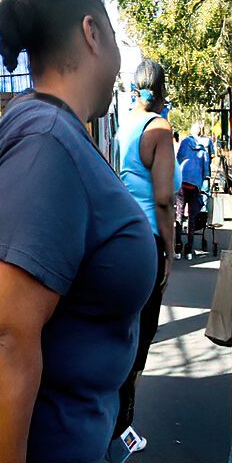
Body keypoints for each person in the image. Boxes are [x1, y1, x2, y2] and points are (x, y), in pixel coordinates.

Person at [0, 0, 152, 462]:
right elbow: (5, 337)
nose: (119, 66)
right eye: (116, 40)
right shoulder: (46, 141)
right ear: (92, 33)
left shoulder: (49, 127)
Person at [111, 59, 177, 452]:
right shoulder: (160, 129)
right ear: (163, 90)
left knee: (121, 331)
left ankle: (111, 425)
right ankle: (123, 433)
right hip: (149, 240)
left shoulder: (125, 127)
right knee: (142, 338)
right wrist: (170, 251)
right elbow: (165, 199)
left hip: (122, 237)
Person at [177, 121, 215, 250]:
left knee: (179, 215)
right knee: (192, 217)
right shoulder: (204, 147)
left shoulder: (184, 142)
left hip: (182, 183)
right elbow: (206, 168)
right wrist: (204, 180)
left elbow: (179, 158)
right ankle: (189, 248)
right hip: (195, 185)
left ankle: (177, 245)